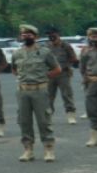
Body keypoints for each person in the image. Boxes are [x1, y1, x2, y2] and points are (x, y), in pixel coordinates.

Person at [12, 24, 62, 162]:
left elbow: (57, 69)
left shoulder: (45, 52)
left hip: (40, 90)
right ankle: (28, 150)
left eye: (29, 34)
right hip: (23, 91)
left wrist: (43, 78)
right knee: (24, 121)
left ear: (35, 36)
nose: (26, 36)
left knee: (44, 121)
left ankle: (49, 149)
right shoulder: (17, 53)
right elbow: (14, 70)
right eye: (23, 34)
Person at [45, 27, 79, 124]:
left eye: (53, 34)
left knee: (66, 94)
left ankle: (70, 114)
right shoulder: (47, 47)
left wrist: (68, 66)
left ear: (58, 34)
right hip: (50, 74)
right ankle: (49, 115)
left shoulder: (66, 45)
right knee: (49, 96)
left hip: (63, 73)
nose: (51, 37)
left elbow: (73, 58)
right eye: (49, 35)